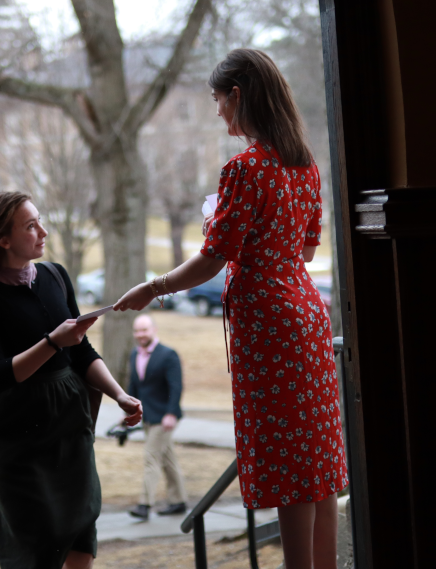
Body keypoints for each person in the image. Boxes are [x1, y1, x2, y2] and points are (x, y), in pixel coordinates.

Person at [114, 48, 348, 569]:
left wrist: (153, 287)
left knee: (289, 462)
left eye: (218, 100)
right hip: (307, 314)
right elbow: (306, 251)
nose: (217, 110)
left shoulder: (245, 170)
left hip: (269, 322)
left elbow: (212, 260)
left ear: (237, 95)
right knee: (316, 457)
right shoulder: (303, 164)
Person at [0, 191, 142, 569]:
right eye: (31, 226)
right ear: (3, 240)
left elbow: (82, 352)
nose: (44, 231)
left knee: (81, 528)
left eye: (40, 220)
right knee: (37, 542)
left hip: (68, 420)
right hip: (14, 429)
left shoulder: (55, 275)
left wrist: (120, 395)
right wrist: (53, 341)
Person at [126, 314, 189, 520]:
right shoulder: (135, 354)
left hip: (165, 417)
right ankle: (178, 501)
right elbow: (135, 386)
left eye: (144, 330)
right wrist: (128, 410)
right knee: (167, 458)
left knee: (151, 457)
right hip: (147, 416)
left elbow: (176, 386)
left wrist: (171, 413)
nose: (140, 334)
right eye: (137, 331)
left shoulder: (168, 355)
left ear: (154, 329)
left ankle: (144, 504)